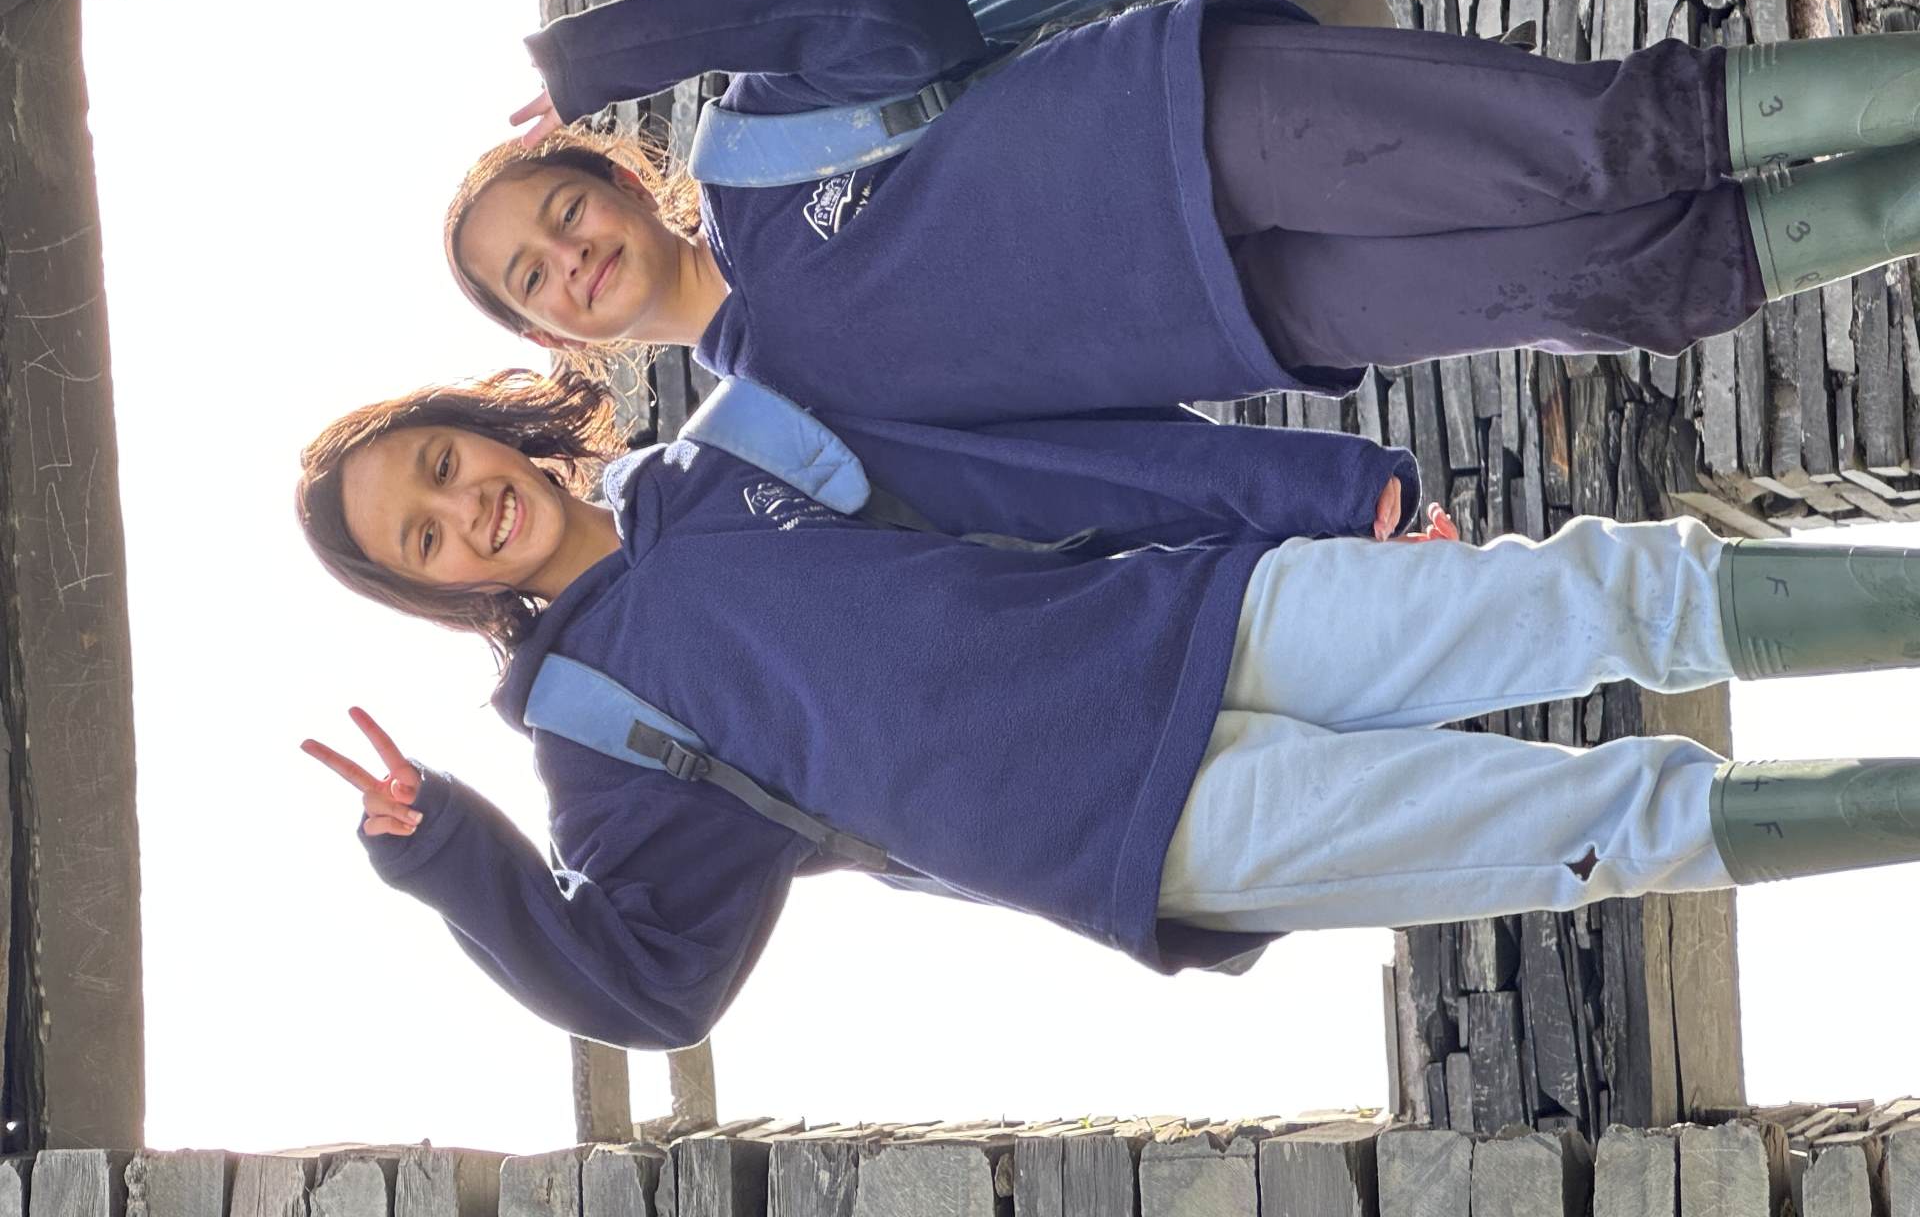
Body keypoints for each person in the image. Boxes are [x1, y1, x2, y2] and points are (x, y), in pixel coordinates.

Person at [298, 368, 1920, 1050]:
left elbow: (1030, 478)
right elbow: (647, 987)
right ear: (436, 590)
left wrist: (1317, 492)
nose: (463, 510)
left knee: (1605, 590)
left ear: (480, 425)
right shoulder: (586, 727)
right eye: (423, 540)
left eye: (440, 466)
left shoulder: (728, 447)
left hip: (1196, 618)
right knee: (1607, 823)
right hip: (1140, 834)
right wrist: (445, 854)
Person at [440, 0, 1920, 427]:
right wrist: (1298, 500)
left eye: (561, 211)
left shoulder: (753, 148)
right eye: (532, 277)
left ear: (616, 182)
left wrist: (608, 51)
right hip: (1243, 322)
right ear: (554, 335)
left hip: (1188, 125)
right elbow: (1040, 479)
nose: (570, 257)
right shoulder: (767, 423)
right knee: (1618, 285)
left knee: (1595, 143)